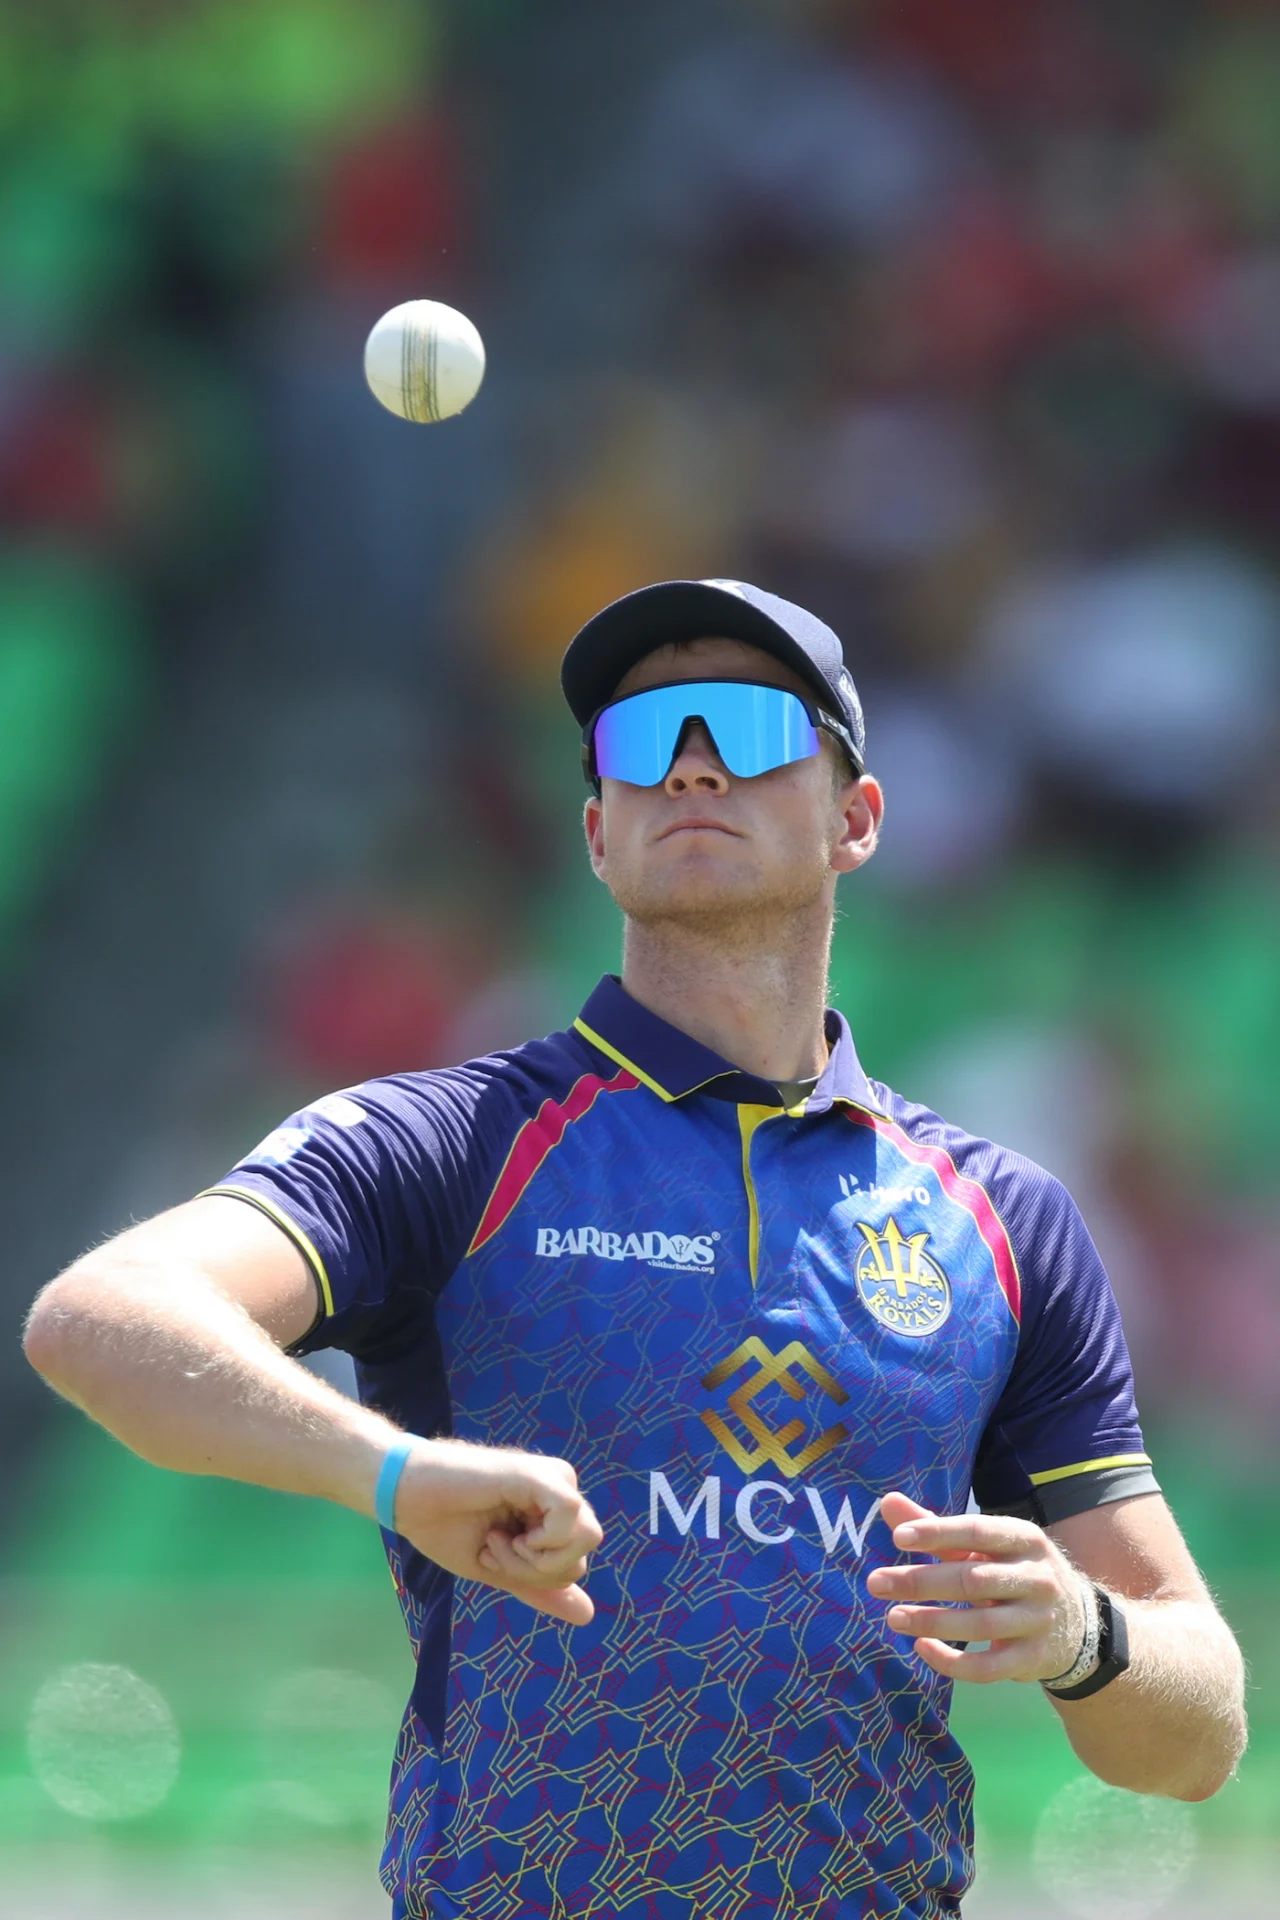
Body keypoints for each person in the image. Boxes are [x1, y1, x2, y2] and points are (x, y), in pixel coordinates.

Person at [24, 579, 1245, 1919]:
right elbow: (100, 1316)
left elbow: (1199, 1736)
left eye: (747, 725)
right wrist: (396, 1473)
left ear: (857, 819)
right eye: (641, 739)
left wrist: (1085, 1637)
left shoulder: (1005, 1222)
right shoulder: (450, 1142)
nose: (692, 762)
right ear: (599, 838)